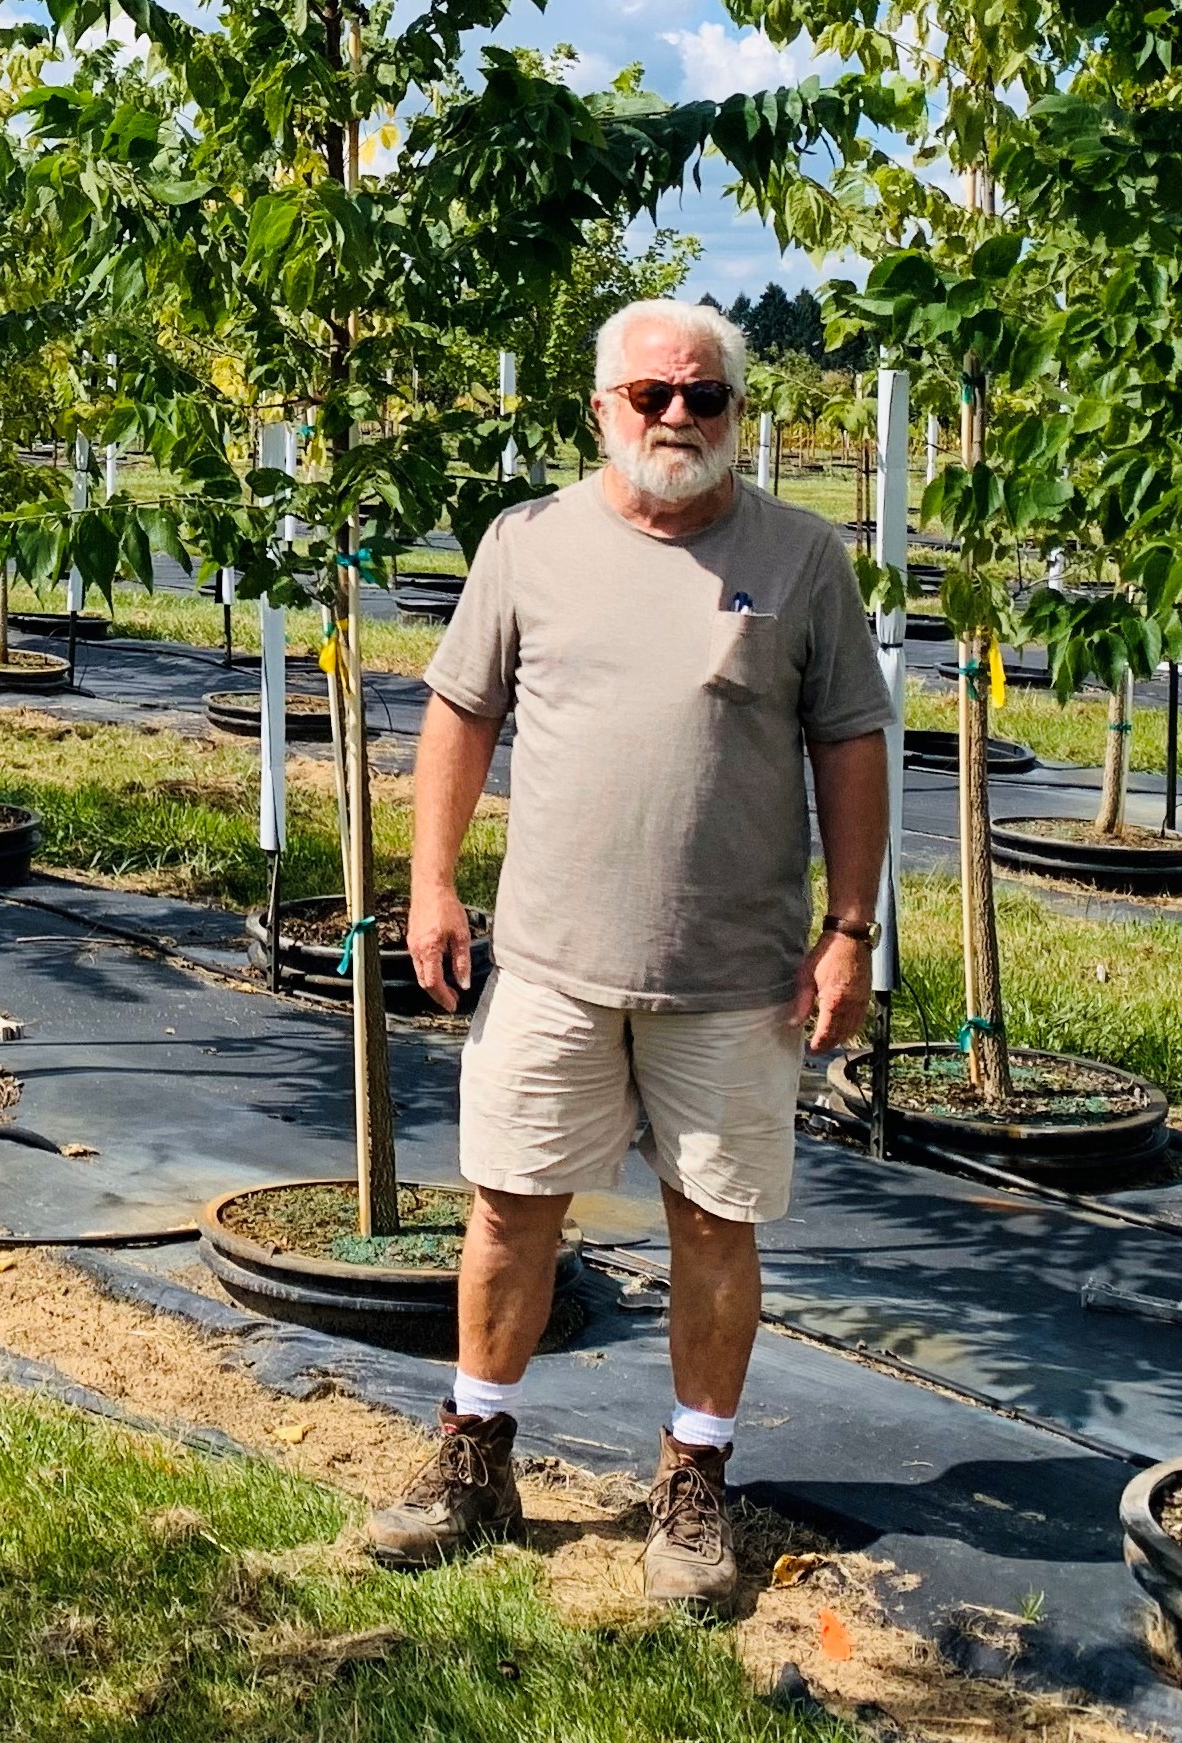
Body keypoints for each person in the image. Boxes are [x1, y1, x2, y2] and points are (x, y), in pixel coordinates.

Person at [364, 299, 891, 1611]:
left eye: (704, 396)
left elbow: (853, 746)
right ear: (600, 407)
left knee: (715, 1225)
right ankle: (475, 1459)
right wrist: (432, 883)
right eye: (651, 393)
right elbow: (459, 713)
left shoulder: (803, 557)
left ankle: (695, 1482)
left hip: (736, 978)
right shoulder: (528, 545)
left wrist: (852, 931)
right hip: (548, 963)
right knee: (507, 1207)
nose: (677, 415)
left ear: (735, 415)